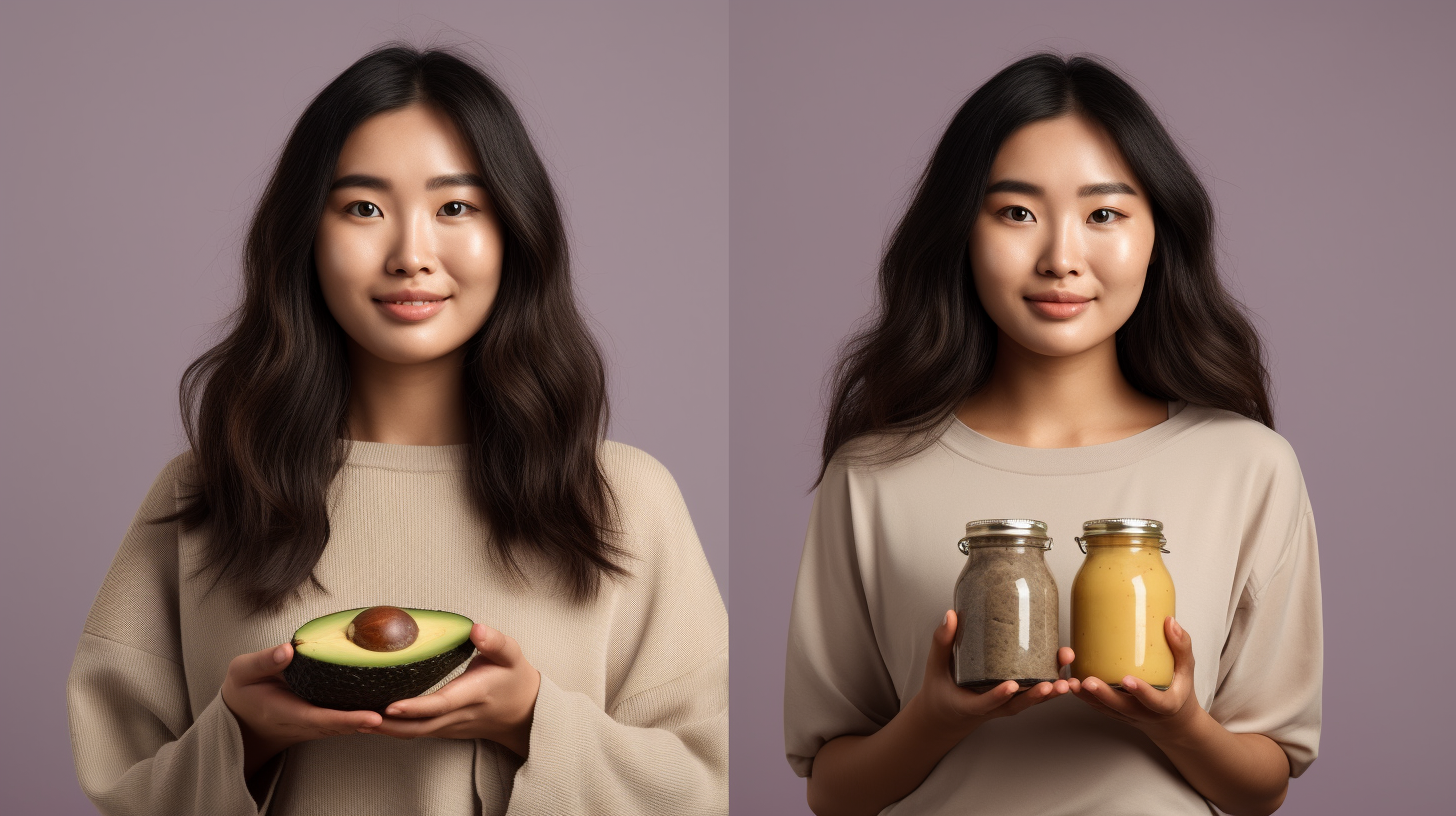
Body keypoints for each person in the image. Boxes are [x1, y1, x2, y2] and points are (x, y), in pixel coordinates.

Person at [67, 44, 727, 816]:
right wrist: (242, 738)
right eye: (363, 208)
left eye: (456, 208)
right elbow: (120, 782)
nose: (412, 255)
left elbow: (704, 783)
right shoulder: (207, 489)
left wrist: (531, 722)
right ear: (305, 235)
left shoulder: (626, 499)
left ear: (514, 232)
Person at [784, 53, 1320, 816]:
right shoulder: (873, 473)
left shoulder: (1248, 468)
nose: (1061, 259)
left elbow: (1263, 785)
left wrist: (1182, 724)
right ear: (960, 231)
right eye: (1016, 213)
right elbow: (832, 790)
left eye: (1104, 215)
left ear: (1158, 233)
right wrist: (934, 720)